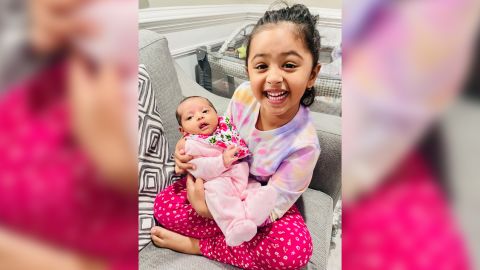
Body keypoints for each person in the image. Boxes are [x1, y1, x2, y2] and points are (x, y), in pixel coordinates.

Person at [151, 3, 322, 269]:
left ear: (312, 74)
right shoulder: (244, 94)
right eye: (262, 66)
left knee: (294, 251)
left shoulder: (304, 146)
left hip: (257, 202)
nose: (273, 78)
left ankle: (200, 245)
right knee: (163, 206)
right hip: (220, 182)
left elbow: (274, 204)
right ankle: (232, 234)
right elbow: (219, 136)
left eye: (289, 65)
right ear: (248, 70)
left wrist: (210, 212)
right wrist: (185, 148)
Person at [174, 96, 277, 246]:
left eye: (204, 111)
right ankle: (234, 226)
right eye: (190, 117)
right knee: (219, 195)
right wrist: (221, 161)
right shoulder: (191, 144)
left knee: (254, 189)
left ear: (217, 114)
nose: (199, 116)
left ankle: (253, 215)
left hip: (241, 176)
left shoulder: (225, 128)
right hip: (216, 181)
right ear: (183, 130)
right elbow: (197, 168)